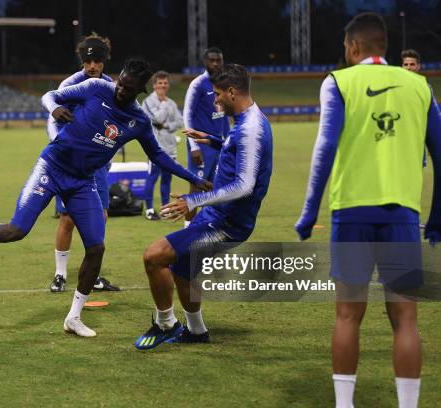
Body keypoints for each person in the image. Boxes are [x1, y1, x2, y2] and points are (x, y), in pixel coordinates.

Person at [0, 59, 210, 338]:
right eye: (120, 83)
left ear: (139, 90)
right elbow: (50, 95)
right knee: (17, 230)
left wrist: (192, 178)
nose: (120, 91)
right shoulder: (96, 87)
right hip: (52, 167)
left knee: (96, 248)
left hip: (82, 182)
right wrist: (54, 108)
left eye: (128, 89)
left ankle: (74, 317)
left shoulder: (138, 120)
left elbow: (158, 156)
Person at [295, 12, 441, 408]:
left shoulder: (338, 81)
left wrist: (309, 213)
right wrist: (438, 214)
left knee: (347, 315)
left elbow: (325, 148)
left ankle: (345, 405)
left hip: (351, 213)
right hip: (402, 215)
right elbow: (440, 154)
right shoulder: (419, 86)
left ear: (354, 46)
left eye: (346, 47)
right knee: (406, 319)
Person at [135, 64, 273, 350]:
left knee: (153, 256)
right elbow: (240, 152)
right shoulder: (248, 121)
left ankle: (165, 324)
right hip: (217, 215)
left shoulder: (251, 129)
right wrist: (213, 140)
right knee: (183, 267)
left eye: (219, 95)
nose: (216, 101)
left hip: (227, 223)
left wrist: (192, 200)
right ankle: (196, 332)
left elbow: (244, 186)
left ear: (233, 92)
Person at [46, 34, 119, 293]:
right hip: (70, 163)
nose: (92, 66)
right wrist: (60, 144)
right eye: (88, 61)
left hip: (98, 165)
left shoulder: (111, 86)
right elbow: (52, 117)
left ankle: (92, 275)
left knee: (101, 217)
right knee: (68, 218)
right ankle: (60, 274)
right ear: (82, 61)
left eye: (97, 61)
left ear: (104, 61)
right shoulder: (71, 84)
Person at [183, 47, 230, 227]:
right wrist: (193, 146)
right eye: (212, 60)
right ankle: (186, 231)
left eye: (218, 60)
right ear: (205, 62)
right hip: (200, 145)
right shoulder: (198, 84)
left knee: (215, 187)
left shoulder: (224, 84)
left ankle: (206, 228)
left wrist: (228, 141)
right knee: (196, 187)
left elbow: (224, 115)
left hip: (218, 144)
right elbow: (187, 114)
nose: (216, 64)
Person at [141, 71, 183, 220]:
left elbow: (180, 122)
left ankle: (165, 210)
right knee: (152, 178)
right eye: (160, 83)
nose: (163, 86)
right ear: (154, 85)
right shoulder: (148, 102)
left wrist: (167, 126)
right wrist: (163, 104)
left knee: (167, 179)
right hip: (155, 148)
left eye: (165, 83)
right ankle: (150, 210)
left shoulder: (172, 102)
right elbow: (156, 119)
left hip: (170, 147)